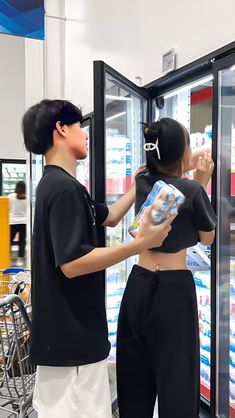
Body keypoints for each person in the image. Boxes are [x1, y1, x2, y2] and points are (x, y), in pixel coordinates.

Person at [21, 99, 174, 418]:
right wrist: (140, 245)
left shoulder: (62, 187)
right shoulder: (63, 190)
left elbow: (112, 216)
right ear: (61, 129)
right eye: (79, 126)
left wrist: (138, 184)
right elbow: (73, 264)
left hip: (68, 343)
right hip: (72, 346)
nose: (86, 134)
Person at [116, 118, 217, 418]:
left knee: (134, 382)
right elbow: (207, 237)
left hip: (138, 283)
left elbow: (172, 161)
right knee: (178, 384)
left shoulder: (143, 180)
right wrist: (202, 182)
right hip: (174, 292)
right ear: (185, 155)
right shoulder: (193, 190)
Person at [9, 181, 27, 266]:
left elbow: (7, 209)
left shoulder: (11, 197)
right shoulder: (27, 198)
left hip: (12, 222)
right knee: (22, 242)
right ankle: (20, 260)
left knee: (9, 241)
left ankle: (7, 257)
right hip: (24, 222)